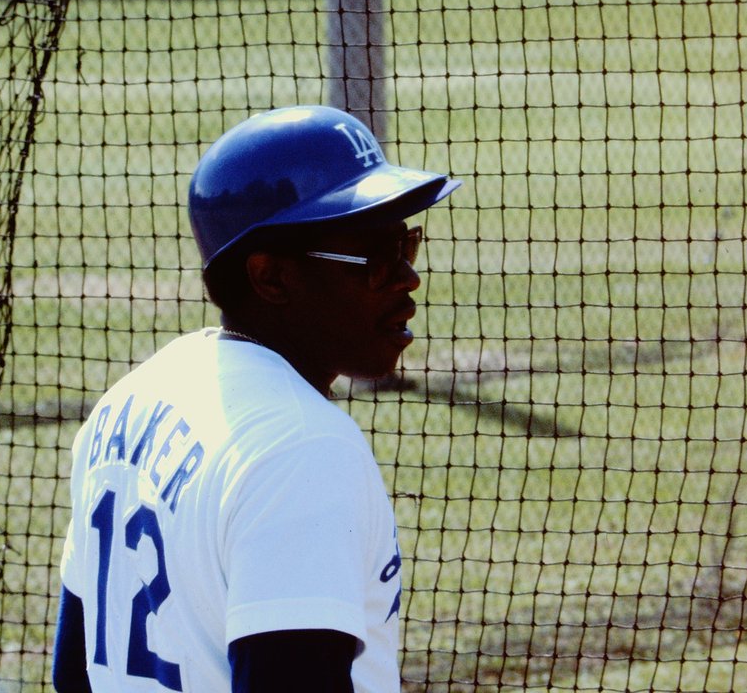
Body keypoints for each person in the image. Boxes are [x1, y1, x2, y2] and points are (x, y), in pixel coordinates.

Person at [53, 104, 460, 693]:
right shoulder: (303, 450)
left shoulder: (130, 400)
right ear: (270, 277)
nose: (406, 277)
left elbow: (76, 672)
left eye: (406, 245)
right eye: (372, 258)